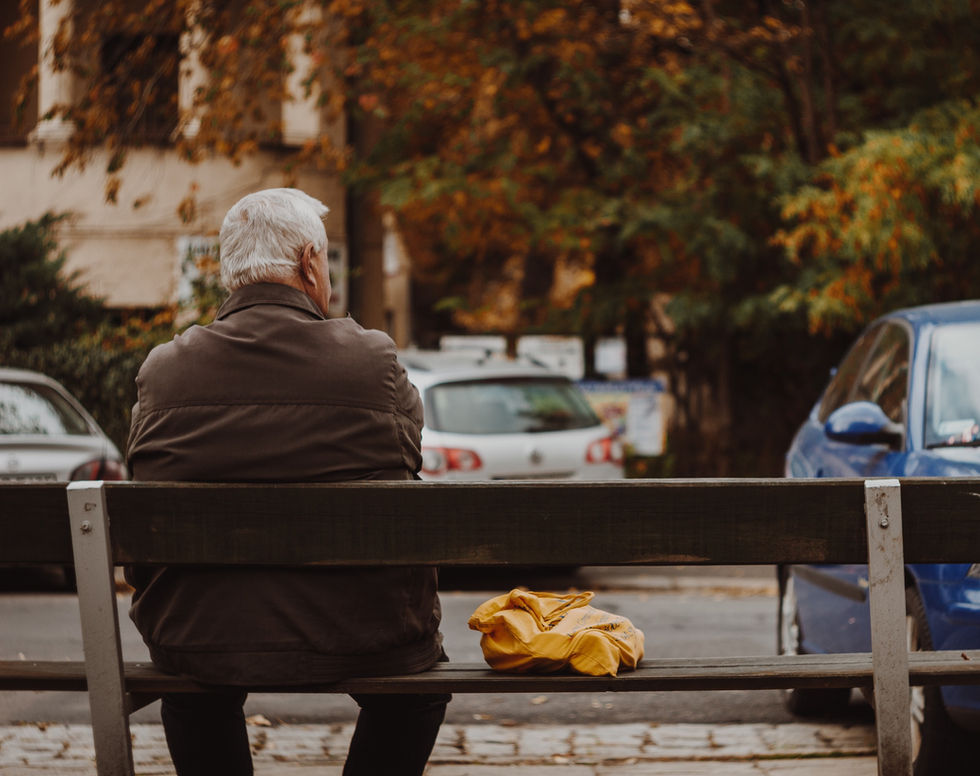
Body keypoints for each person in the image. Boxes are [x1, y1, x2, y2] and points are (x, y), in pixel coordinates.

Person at [126, 188, 448, 776]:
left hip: (200, 635)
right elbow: (405, 462)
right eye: (325, 262)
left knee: (192, 686)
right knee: (416, 691)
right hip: (364, 630)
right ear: (308, 262)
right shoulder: (372, 361)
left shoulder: (165, 371)